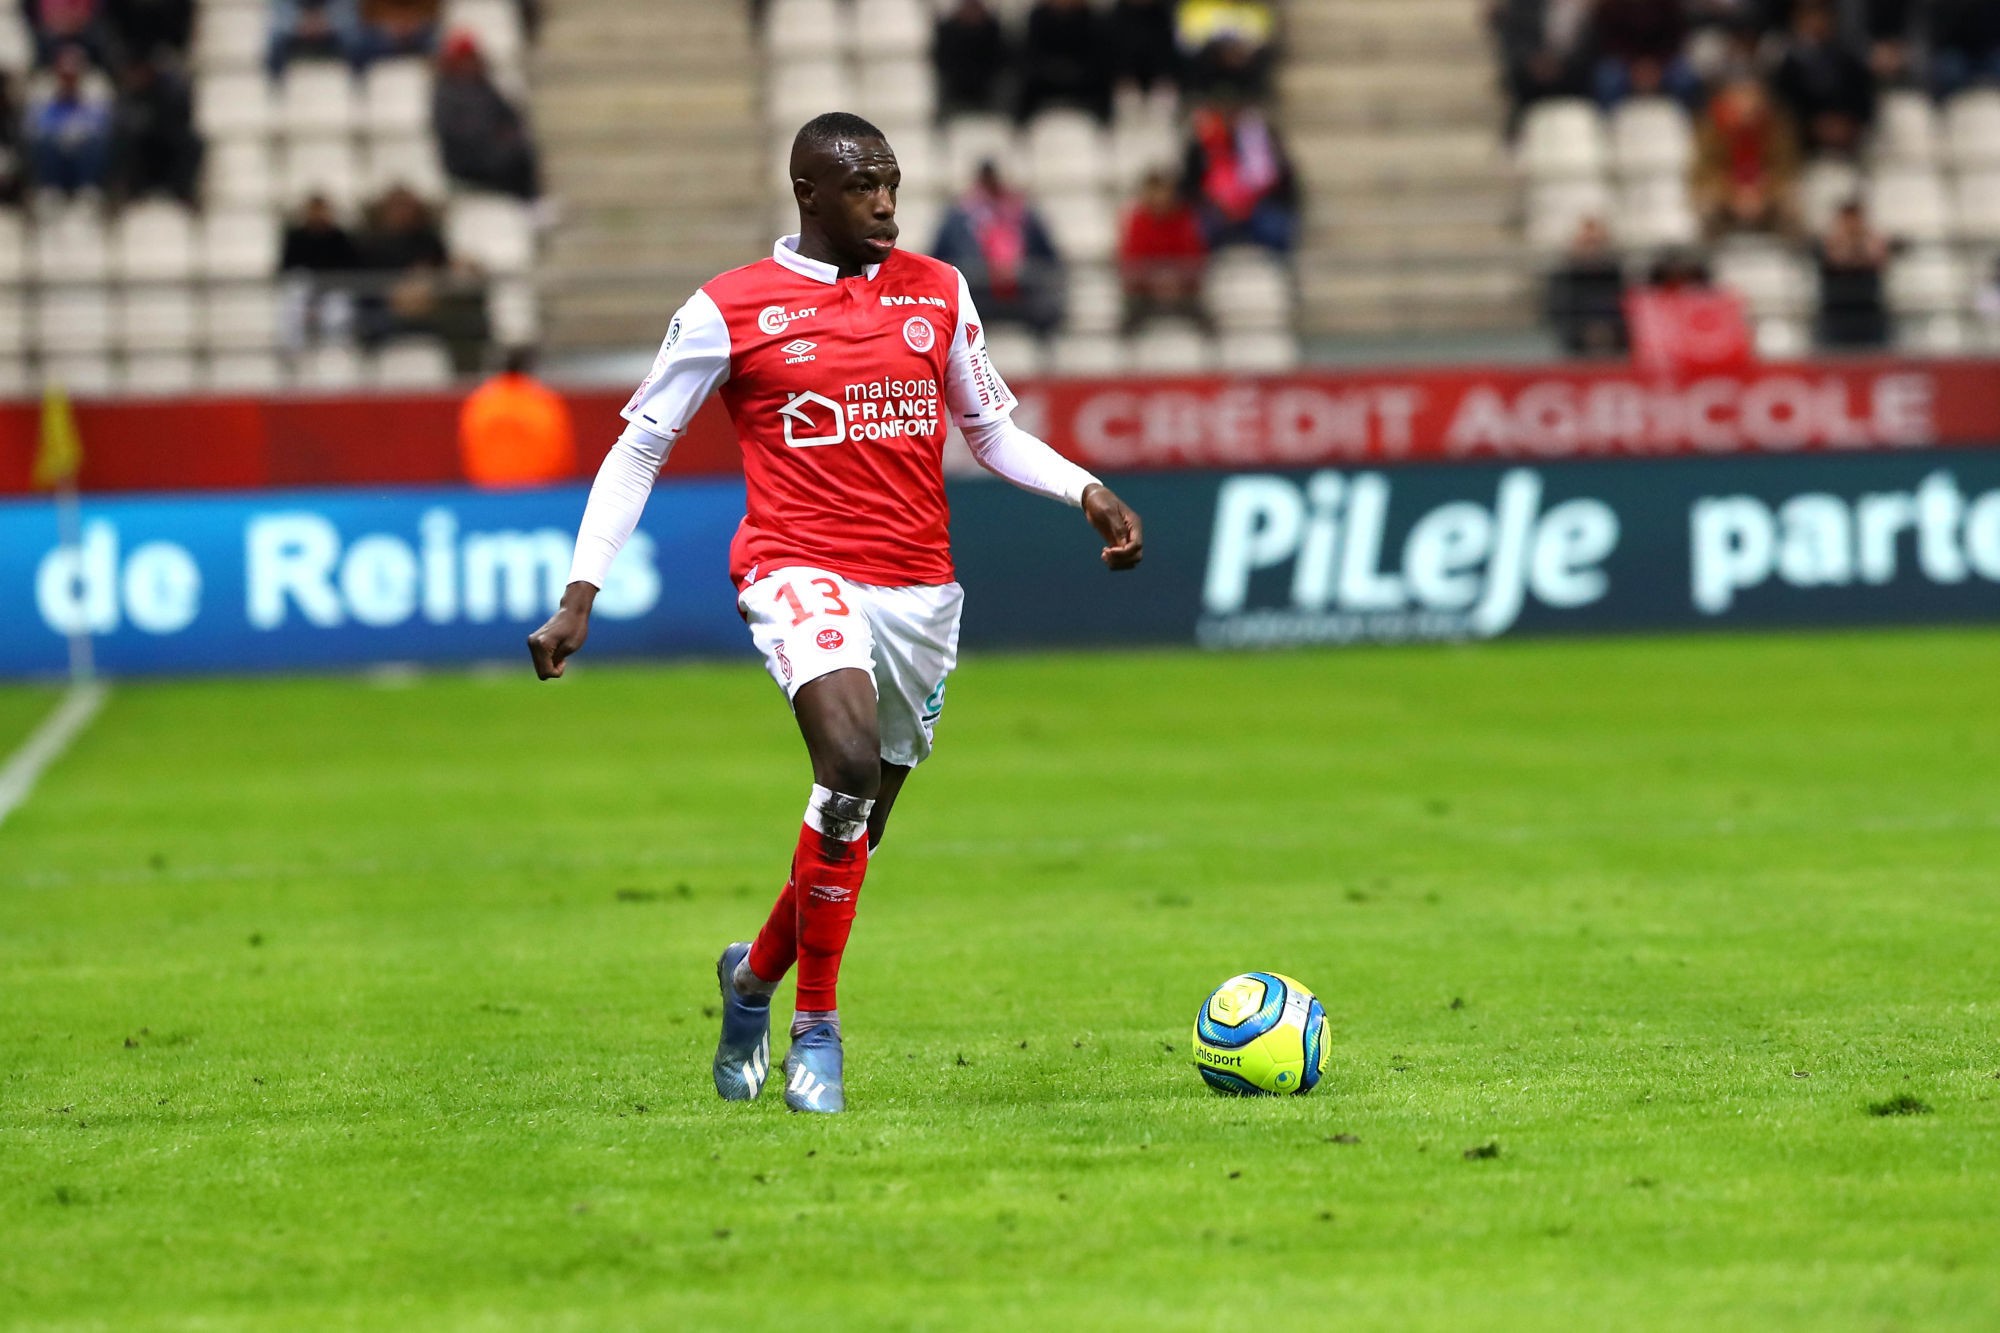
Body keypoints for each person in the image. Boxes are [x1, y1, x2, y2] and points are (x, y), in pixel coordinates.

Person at [525, 112, 1144, 1115]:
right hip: (796, 568)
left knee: (854, 827)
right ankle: (816, 1029)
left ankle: (750, 979)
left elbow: (989, 430)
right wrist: (579, 591)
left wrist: (1084, 490)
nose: (886, 204)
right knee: (844, 765)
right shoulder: (727, 309)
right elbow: (639, 448)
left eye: (892, 182)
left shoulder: (938, 291)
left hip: (919, 590)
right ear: (808, 193)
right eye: (863, 187)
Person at [930, 160, 1065, 335]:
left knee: (1047, 308)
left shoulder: (1024, 215)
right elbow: (938, 261)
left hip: (1022, 297)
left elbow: (1049, 260)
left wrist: (1018, 272)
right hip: (977, 296)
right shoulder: (957, 217)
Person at [432, 29, 540, 200]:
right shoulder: (445, 93)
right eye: (465, 59)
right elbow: (456, 133)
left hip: (492, 151)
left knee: (519, 151)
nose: (470, 63)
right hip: (464, 160)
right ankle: (524, 204)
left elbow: (510, 114)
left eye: (472, 57)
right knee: (508, 159)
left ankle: (530, 203)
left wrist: (508, 136)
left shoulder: (483, 85)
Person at [1182, 97, 1298, 251]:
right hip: (1215, 209)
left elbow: (1284, 180)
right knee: (1199, 229)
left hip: (1260, 206)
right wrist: (1214, 203)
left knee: (1276, 227)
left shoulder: (1265, 139)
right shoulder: (1201, 144)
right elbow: (1190, 184)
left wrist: (1256, 201)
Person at [1691, 76, 1800, 239]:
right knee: (1705, 204)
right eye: (1739, 101)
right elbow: (1704, 171)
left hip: (1766, 194)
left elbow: (1785, 169)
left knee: (1792, 203)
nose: (1746, 108)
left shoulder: (1777, 130)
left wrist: (1764, 193)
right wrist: (1731, 195)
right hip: (1725, 194)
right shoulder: (1711, 131)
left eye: (1751, 100)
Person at [459, 347, 576, 487]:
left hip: (491, 485)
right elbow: (560, 446)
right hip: (538, 485)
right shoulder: (544, 400)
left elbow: (467, 443)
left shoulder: (480, 400)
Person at [1770, 2, 1875, 157]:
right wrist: (1814, 126)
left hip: (1848, 147)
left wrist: (1847, 124)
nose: (1816, 23)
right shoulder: (1787, 66)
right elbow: (1783, 107)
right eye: (1809, 17)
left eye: (1822, 16)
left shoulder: (1850, 61)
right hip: (1804, 149)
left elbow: (1864, 103)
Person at [1117, 167, 1209, 331]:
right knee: (1128, 318)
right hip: (1145, 292)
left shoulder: (1184, 218)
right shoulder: (1137, 221)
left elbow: (1193, 256)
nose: (1160, 198)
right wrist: (1153, 281)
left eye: (1164, 192)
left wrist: (1175, 280)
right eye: (1155, 192)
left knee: (1204, 318)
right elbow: (1131, 260)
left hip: (1181, 290)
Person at [108, 51, 201, 203]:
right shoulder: (126, 93)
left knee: (191, 143)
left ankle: (181, 192)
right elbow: (123, 123)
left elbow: (180, 121)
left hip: (168, 151)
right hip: (142, 157)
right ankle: (131, 193)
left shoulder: (172, 90)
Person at [26, 45, 112, 198]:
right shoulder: (43, 85)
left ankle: (87, 189)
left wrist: (77, 132)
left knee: (96, 142)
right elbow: (34, 123)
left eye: (73, 75)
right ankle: (49, 189)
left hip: (84, 140)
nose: (69, 80)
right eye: (65, 75)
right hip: (54, 140)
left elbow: (101, 123)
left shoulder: (96, 85)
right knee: (42, 142)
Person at [279, 191, 361, 347]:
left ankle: (333, 352)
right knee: (293, 301)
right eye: (313, 210)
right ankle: (294, 351)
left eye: (321, 210)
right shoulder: (296, 236)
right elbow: (286, 268)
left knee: (339, 310)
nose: (317, 214)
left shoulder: (339, 237)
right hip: (305, 289)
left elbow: (350, 267)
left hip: (333, 288)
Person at [1015, 0, 1111, 124]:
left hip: (1082, 77)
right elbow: (1032, 53)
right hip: (1045, 77)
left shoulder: (1091, 18)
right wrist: (1052, 69)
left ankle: (1104, 128)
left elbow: (1097, 55)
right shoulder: (1039, 17)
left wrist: (1074, 70)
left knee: (1101, 82)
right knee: (1026, 83)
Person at [1590, 0, 1699, 108]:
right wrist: (1634, 66)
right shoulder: (1611, 6)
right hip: (1624, 62)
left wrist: (1657, 65)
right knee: (1608, 79)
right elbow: (1609, 41)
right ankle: (1608, 120)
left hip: (1663, 61)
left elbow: (1676, 38)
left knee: (1684, 78)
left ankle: (1682, 118)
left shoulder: (1670, 5)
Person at [1546, 215, 1628, 356]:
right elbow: (1556, 314)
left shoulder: (1616, 276)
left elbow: (1627, 311)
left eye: (1596, 243)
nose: (1592, 249)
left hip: (1616, 344)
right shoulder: (1563, 278)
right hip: (1575, 346)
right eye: (1587, 243)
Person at [1814, 199, 1891, 349]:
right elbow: (1836, 259)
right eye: (1847, 220)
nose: (1852, 225)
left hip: (1869, 313)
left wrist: (1859, 246)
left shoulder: (1871, 241)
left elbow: (1878, 258)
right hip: (1835, 315)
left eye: (1855, 220)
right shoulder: (1828, 243)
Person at [931, 0, 1010, 119]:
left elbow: (1001, 60)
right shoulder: (948, 31)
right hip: (956, 89)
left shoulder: (993, 30)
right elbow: (942, 61)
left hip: (988, 88)